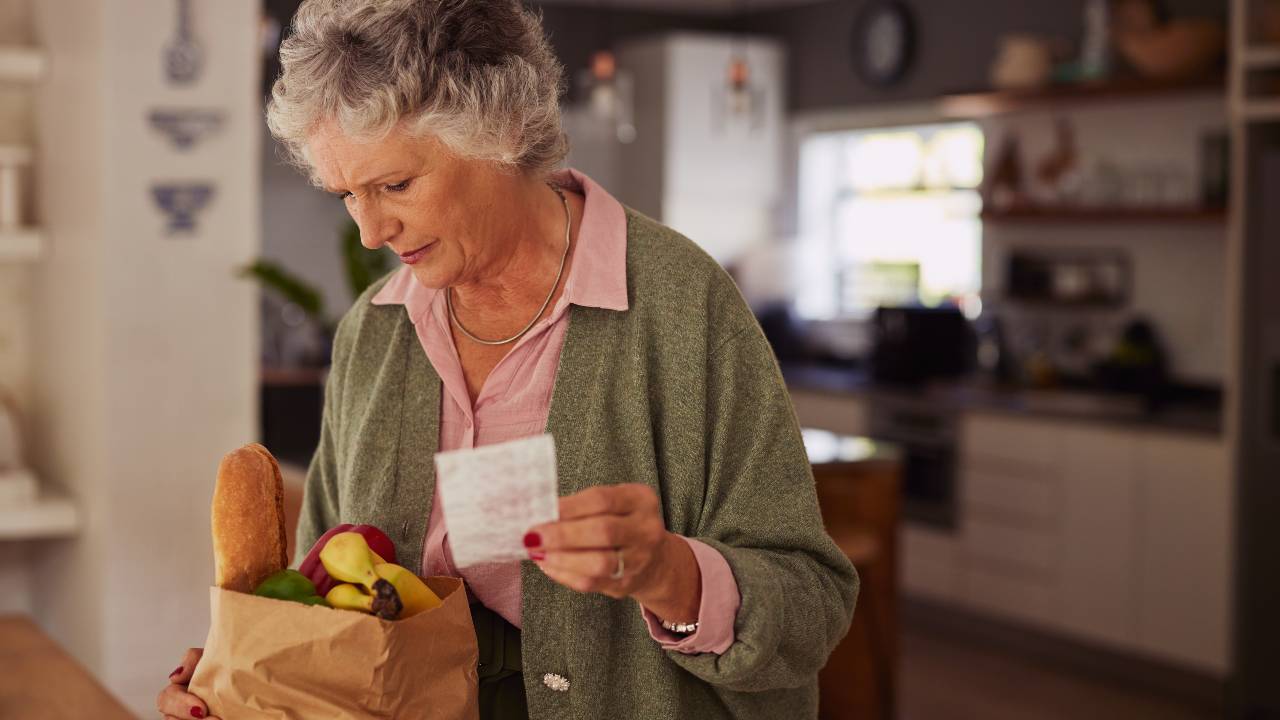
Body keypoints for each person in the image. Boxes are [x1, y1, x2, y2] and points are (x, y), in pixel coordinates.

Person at [156, 1, 856, 718]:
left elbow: (811, 604)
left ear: (500, 133)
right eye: (347, 196)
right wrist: (243, 671)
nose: (369, 233)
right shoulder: (374, 334)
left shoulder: (682, 307)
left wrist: (671, 574)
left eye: (395, 185)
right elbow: (324, 605)